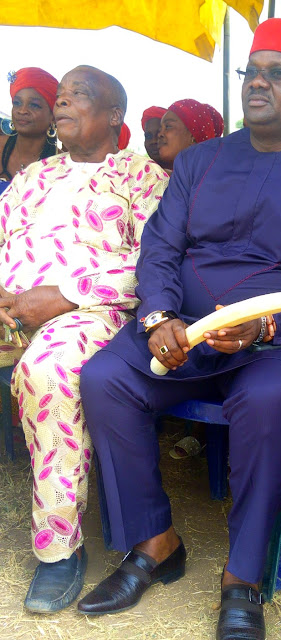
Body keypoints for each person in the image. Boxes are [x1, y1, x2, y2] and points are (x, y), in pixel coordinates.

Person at [77, 18, 281, 640]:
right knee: (105, 378)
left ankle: (242, 579)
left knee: (267, 399)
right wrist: (159, 316)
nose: (257, 83)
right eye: (251, 72)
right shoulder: (199, 162)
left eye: (277, 74)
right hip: (184, 331)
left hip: (278, 344)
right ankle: (154, 543)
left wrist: (265, 325)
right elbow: (160, 248)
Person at [0, 64, 167, 613]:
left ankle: (59, 551)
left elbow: (154, 264)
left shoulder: (143, 178)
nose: (62, 102)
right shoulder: (33, 176)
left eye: (79, 95)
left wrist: (65, 295)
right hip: (10, 305)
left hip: (91, 310)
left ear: (114, 114)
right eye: (62, 96)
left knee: (46, 371)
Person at [0, 67, 58, 195]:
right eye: (17, 103)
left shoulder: (61, 165)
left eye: (34, 105)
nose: (22, 111)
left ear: (53, 116)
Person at [158, 99, 224, 173]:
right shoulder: (161, 176)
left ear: (193, 136)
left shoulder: (215, 177)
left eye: (168, 126)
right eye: (160, 129)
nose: (160, 134)